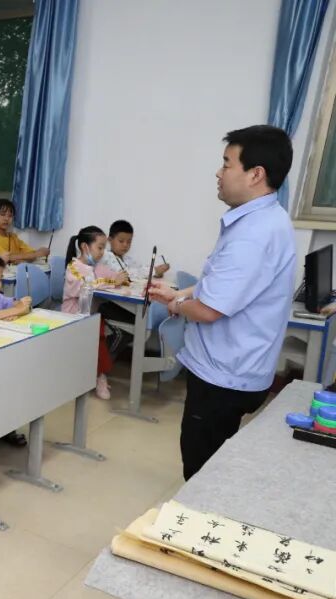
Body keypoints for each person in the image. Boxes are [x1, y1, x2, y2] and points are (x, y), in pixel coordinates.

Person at [148, 125, 296, 480]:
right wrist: (182, 293)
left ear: (255, 174)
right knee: (214, 462)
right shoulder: (267, 219)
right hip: (240, 370)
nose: (219, 173)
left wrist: (176, 305)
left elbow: (209, 310)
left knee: (201, 471)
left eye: (227, 164)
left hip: (223, 378)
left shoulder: (252, 235)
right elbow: (222, 285)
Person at [63, 226, 126, 400]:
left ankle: (98, 374)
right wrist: (112, 282)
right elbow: (86, 285)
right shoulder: (74, 267)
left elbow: (112, 275)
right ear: (85, 247)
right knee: (98, 334)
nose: (102, 252)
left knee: (100, 332)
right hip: (73, 317)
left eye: (104, 248)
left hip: (90, 316)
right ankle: (99, 376)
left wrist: (120, 278)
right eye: (100, 247)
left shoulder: (96, 266)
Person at [0, 199, 49, 263]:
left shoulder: (13, 237)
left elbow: (32, 254)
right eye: (2, 215)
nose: (6, 219)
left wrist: (33, 255)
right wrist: (36, 254)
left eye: (10, 216)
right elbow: (5, 257)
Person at [99, 219, 169, 279]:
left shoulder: (128, 259)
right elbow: (127, 274)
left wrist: (157, 273)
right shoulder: (106, 257)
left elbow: (140, 269)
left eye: (129, 241)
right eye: (121, 241)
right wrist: (153, 271)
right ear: (110, 240)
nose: (125, 245)